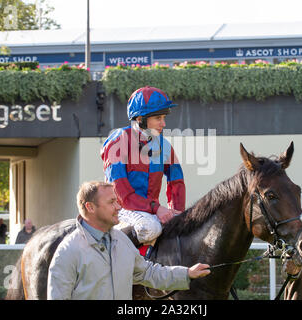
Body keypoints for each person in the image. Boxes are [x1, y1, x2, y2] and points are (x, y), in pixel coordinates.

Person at [47, 181, 210, 300]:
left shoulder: (121, 241)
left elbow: (148, 272)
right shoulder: (67, 252)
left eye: (117, 201)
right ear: (90, 207)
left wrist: (187, 273)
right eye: (111, 202)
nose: (119, 207)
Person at [101, 86, 185, 250]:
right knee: (150, 227)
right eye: (158, 118)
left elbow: (177, 182)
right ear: (140, 119)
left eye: (164, 117)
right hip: (121, 209)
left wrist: (176, 212)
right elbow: (120, 192)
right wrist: (156, 208)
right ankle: (108, 252)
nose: (163, 123)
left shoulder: (164, 146)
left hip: (149, 211)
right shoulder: (118, 141)